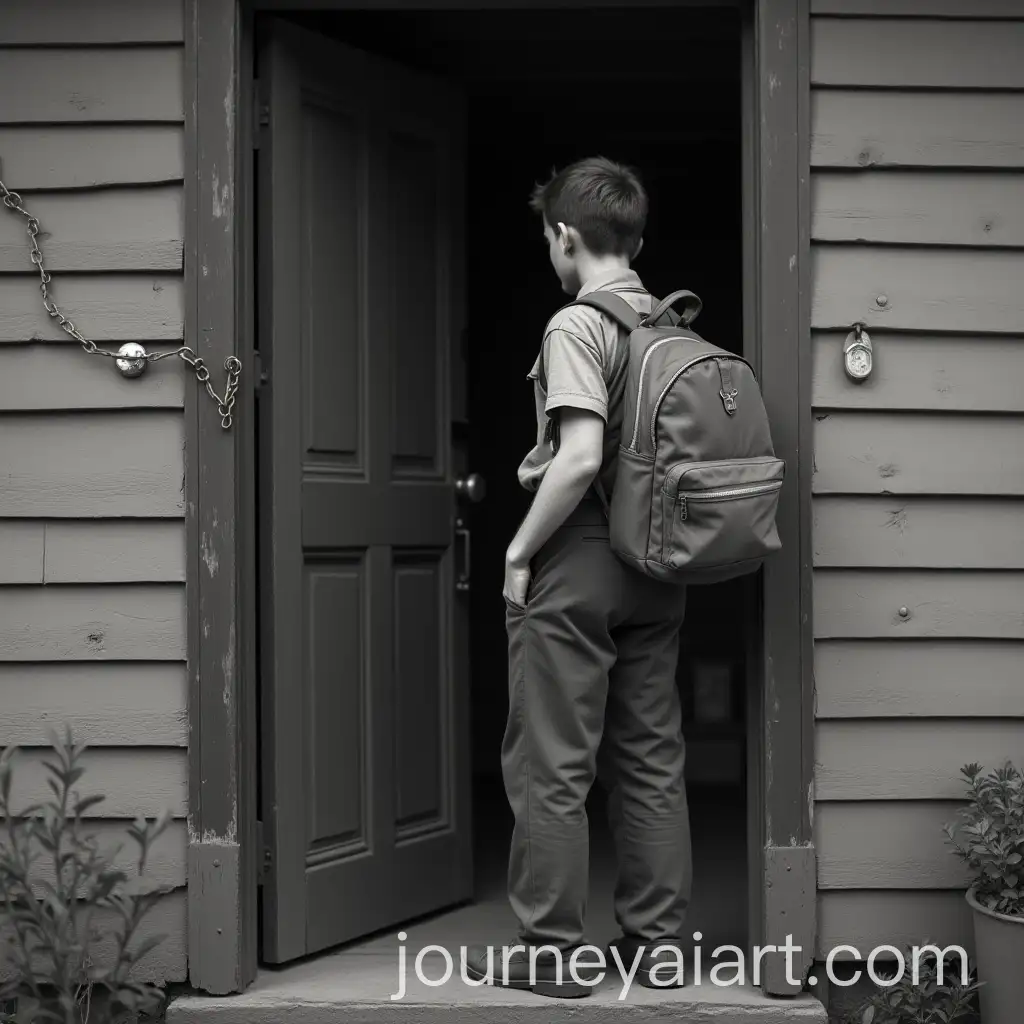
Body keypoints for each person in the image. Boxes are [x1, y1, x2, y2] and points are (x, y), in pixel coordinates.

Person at [465, 157, 691, 998]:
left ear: (564, 237)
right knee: (651, 759)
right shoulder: (670, 325)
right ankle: (657, 948)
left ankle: (551, 953)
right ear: (637, 236)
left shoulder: (576, 324)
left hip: (583, 557)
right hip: (659, 564)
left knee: (553, 763)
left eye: (549, 239)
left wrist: (520, 551)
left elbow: (580, 457)